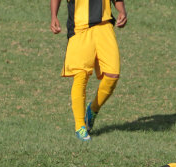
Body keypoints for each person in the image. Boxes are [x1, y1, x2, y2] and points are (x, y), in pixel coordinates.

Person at [50, 0, 127, 141]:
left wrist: (122, 11)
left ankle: (93, 110)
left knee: (113, 75)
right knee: (81, 75)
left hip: (104, 26)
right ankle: (80, 126)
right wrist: (54, 16)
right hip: (80, 28)